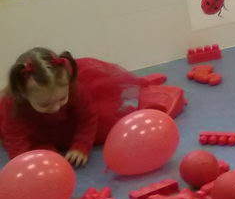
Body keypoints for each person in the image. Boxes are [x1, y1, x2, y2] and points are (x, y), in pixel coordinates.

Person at [1, 47, 150, 166]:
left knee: (103, 126)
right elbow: (14, 137)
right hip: (34, 127)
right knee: (38, 153)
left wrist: (81, 145)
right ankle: (42, 144)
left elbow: (88, 117)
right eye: (45, 104)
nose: (55, 108)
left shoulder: (74, 89)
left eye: (61, 99)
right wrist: (22, 164)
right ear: (24, 94)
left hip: (69, 122)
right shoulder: (14, 102)